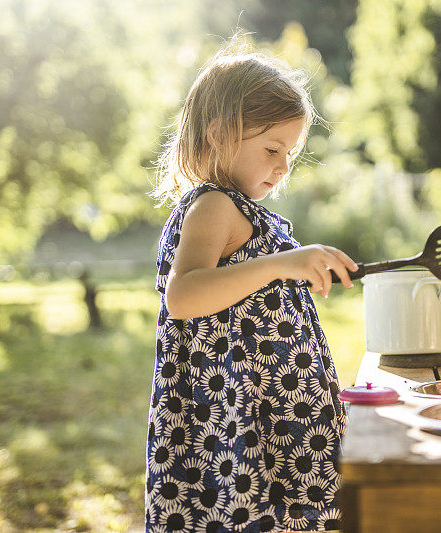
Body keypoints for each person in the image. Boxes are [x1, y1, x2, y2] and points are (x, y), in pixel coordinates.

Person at [146, 35, 357, 533]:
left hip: (275, 415)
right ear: (220, 135)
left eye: (291, 153)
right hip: (237, 427)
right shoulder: (214, 205)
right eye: (271, 148)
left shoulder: (244, 210)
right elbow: (184, 295)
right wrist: (281, 266)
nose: (283, 166)